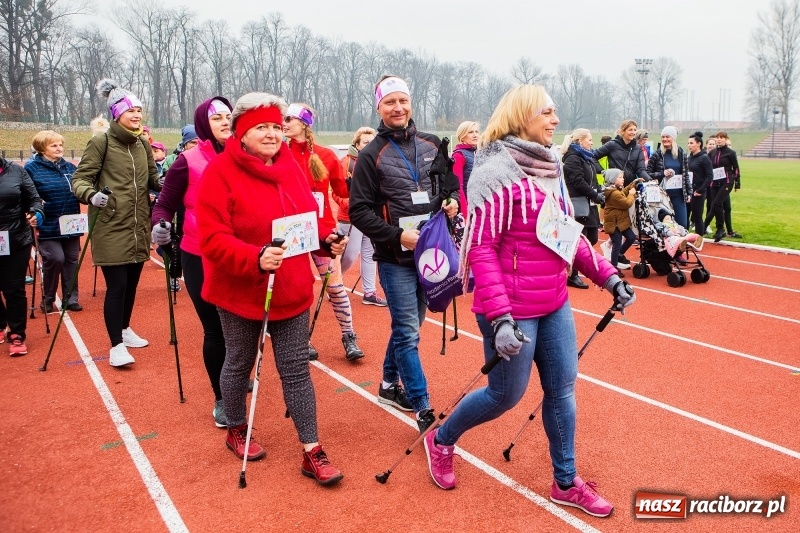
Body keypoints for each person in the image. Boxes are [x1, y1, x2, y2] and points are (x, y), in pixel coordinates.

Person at [421, 85, 634, 519]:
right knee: (505, 396)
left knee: (562, 389)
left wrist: (608, 277)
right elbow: (480, 249)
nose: (555, 120)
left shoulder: (549, 165)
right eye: (547, 113)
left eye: (555, 113)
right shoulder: (493, 173)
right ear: (522, 116)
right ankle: (441, 439)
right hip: (510, 311)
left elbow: (564, 237)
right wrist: (499, 317)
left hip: (554, 301)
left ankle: (566, 480)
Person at [196, 92, 345, 485]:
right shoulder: (220, 172)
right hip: (240, 289)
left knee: (295, 370)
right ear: (241, 134)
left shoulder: (293, 167)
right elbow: (211, 239)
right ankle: (237, 426)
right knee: (239, 361)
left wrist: (326, 240)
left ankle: (311, 450)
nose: (271, 134)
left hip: (291, 287)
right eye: (261, 127)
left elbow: (309, 219)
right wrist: (254, 257)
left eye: (276, 127)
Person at [349, 75, 460, 432]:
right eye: (389, 102)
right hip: (395, 259)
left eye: (403, 101)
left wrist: (453, 200)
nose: (398, 108)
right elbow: (359, 211)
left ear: (410, 103)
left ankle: (386, 385)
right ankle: (423, 405)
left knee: (407, 328)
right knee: (409, 332)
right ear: (379, 107)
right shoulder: (370, 155)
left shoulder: (431, 143)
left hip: (430, 255)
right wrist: (398, 236)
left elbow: (450, 183)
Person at [151, 96, 234, 428]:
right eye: (218, 118)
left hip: (240, 254)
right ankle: (222, 398)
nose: (226, 121)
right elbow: (165, 204)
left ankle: (235, 373)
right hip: (200, 254)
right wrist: (160, 225)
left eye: (230, 116)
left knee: (241, 328)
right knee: (215, 329)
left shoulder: (246, 157)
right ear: (203, 124)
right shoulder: (187, 161)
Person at [72, 79, 160, 367]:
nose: (136, 115)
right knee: (118, 287)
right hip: (110, 224)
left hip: (138, 225)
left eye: (139, 110)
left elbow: (153, 181)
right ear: (115, 112)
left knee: (132, 284)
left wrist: (177, 182)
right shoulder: (102, 141)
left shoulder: (142, 143)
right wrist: (92, 194)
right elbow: (80, 179)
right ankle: (116, 346)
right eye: (130, 110)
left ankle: (124, 328)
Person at [283, 102, 365, 362]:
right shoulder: (277, 155)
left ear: (304, 124)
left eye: (288, 119)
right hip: (290, 232)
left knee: (336, 287)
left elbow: (343, 192)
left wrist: (363, 186)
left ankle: (349, 337)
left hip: (323, 233)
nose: (283, 123)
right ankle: (300, 340)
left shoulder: (326, 156)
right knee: (299, 288)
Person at [24, 131, 83, 314]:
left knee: (71, 260)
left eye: (60, 145)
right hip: (47, 224)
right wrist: (32, 213)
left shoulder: (70, 168)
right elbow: (27, 195)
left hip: (71, 222)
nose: (59, 148)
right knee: (56, 258)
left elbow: (80, 189)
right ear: (42, 148)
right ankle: (48, 298)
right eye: (54, 145)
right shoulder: (31, 168)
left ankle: (70, 299)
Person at [332, 126, 387, 307]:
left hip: (370, 217)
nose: (369, 146)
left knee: (370, 254)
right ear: (357, 144)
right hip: (349, 219)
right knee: (348, 256)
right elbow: (336, 192)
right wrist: (351, 204)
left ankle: (369, 292)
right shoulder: (345, 163)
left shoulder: (377, 163)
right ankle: (333, 282)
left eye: (372, 142)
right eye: (365, 142)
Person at [0, 157, 44, 356]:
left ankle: (17, 333)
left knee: (14, 287)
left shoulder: (16, 171)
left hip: (16, 238)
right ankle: (1, 324)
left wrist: (36, 212)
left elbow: (34, 198)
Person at [561, 128, 604, 289]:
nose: (592, 143)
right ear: (580, 141)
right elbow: (578, 182)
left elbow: (593, 178)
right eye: (590, 139)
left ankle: (573, 265)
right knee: (580, 240)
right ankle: (572, 274)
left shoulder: (587, 158)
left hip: (590, 204)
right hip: (578, 203)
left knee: (592, 238)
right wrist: (594, 194)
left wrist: (599, 192)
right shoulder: (572, 159)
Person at [646, 126, 692, 229]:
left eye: (667, 136)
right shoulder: (657, 154)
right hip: (663, 195)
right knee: (666, 224)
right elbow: (648, 173)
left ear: (673, 138)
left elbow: (685, 174)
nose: (665, 139)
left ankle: (680, 243)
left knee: (682, 224)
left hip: (679, 194)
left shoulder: (681, 153)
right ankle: (668, 244)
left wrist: (689, 192)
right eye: (663, 137)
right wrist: (662, 173)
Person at [603, 168, 643, 276]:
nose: (622, 179)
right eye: (620, 177)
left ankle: (619, 254)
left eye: (622, 177)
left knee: (631, 237)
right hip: (614, 223)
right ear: (613, 179)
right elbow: (626, 203)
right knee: (617, 243)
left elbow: (623, 193)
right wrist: (631, 194)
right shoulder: (613, 193)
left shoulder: (615, 190)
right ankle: (614, 267)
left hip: (620, 222)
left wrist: (633, 184)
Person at [703, 131, 740, 242]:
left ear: (725, 139)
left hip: (727, 182)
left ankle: (720, 229)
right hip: (715, 182)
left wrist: (737, 183)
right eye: (718, 138)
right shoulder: (712, 153)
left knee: (717, 203)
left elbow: (736, 168)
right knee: (716, 204)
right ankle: (720, 229)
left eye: (722, 138)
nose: (719, 139)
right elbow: (707, 166)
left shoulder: (730, 153)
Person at [593, 120, 651, 186]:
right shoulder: (612, 145)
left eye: (635, 130)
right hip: (615, 187)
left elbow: (640, 170)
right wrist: (602, 172)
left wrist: (649, 180)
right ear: (623, 131)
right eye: (630, 130)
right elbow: (593, 157)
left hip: (630, 187)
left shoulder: (638, 148)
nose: (633, 132)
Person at [687, 131, 713, 235]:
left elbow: (709, 176)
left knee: (697, 217)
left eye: (691, 143)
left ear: (699, 144)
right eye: (688, 143)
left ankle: (699, 239)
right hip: (688, 191)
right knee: (685, 216)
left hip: (698, 192)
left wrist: (700, 190)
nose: (689, 145)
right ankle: (684, 238)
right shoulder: (689, 158)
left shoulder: (704, 158)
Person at [452, 121, 479, 217]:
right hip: (468, 210)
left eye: (476, 132)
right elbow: (458, 187)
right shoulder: (458, 155)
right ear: (462, 136)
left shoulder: (478, 153)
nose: (475, 135)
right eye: (471, 132)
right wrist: (465, 214)